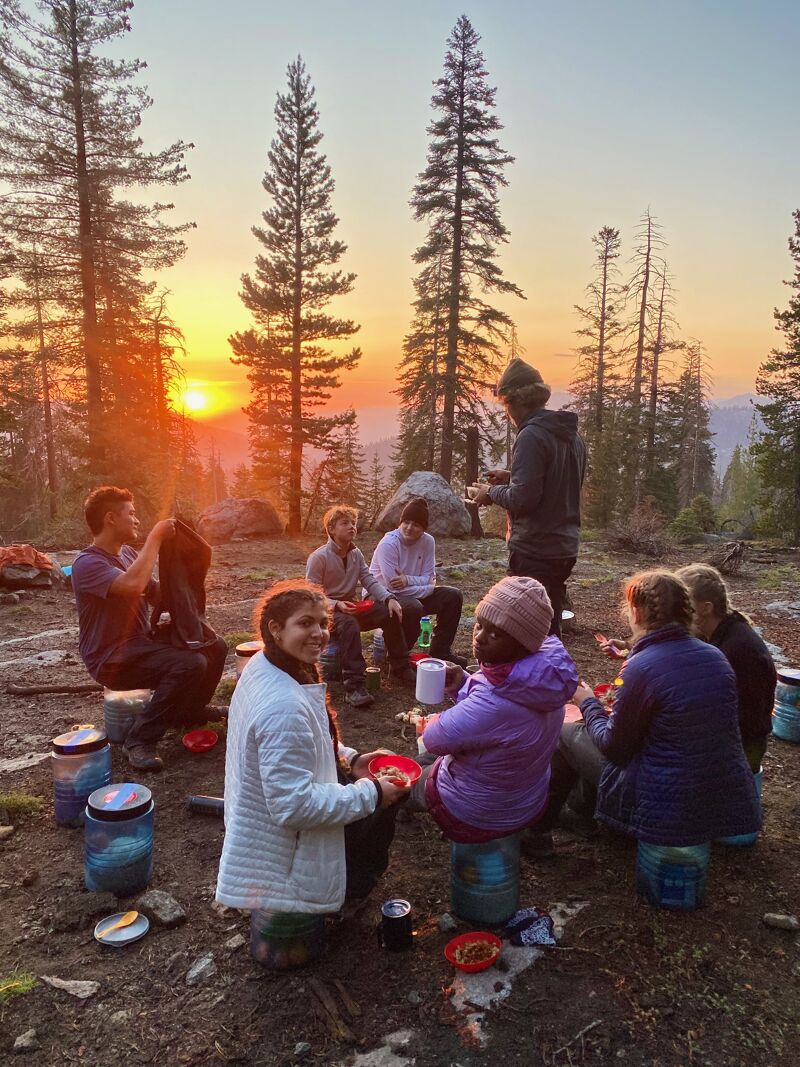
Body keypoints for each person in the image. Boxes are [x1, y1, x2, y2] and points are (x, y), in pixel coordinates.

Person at [216, 580, 409, 918]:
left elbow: (308, 738)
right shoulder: (284, 705)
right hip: (285, 843)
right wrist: (374, 793)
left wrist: (351, 760)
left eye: (323, 623)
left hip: (257, 809)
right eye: (305, 623)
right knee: (390, 799)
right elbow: (293, 807)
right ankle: (350, 892)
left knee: (380, 791)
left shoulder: (268, 665)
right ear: (275, 629)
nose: (319, 633)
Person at [534, 570, 760, 850]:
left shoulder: (642, 667)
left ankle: (538, 832)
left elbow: (614, 748)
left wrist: (587, 702)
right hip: (713, 793)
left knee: (567, 733)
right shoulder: (716, 656)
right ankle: (583, 812)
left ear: (637, 613)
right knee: (594, 726)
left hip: (663, 798)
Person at [405, 577, 579, 842]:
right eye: (479, 625)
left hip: (478, 811)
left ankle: (398, 807)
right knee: (430, 760)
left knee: (407, 775)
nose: (479, 637)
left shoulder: (495, 701)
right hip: (525, 798)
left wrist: (435, 720)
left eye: (495, 634)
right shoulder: (543, 679)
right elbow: (495, 713)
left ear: (523, 642)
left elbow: (434, 739)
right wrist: (463, 685)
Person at [72, 486, 228, 772]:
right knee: (189, 663)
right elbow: (132, 586)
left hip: (140, 642)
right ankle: (140, 740)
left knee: (214, 646)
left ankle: (190, 713)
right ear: (110, 518)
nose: (136, 520)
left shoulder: (129, 554)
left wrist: (183, 568)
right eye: (131, 514)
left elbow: (156, 594)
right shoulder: (87, 563)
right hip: (110, 657)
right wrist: (155, 538)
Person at [471, 358, 586, 638]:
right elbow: (559, 483)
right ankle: (552, 665)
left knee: (520, 628)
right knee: (549, 620)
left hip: (536, 549)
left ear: (513, 401)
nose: (507, 413)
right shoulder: (571, 436)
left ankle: (526, 668)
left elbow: (524, 500)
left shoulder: (531, 436)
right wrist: (512, 476)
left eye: (505, 405)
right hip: (564, 547)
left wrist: (490, 493)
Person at [306, 505, 411, 707]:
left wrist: (389, 598)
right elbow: (312, 595)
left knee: (388, 613)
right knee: (349, 624)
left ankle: (400, 668)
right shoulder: (319, 557)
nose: (351, 527)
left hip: (351, 606)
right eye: (344, 523)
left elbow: (369, 580)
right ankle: (354, 686)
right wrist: (336, 604)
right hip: (326, 612)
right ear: (331, 529)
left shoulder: (356, 554)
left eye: (353, 523)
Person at [368, 496, 467, 668]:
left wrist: (407, 580)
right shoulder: (389, 544)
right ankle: (397, 658)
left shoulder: (428, 541)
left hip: (409, 592)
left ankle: (440, 651)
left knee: (453, 596)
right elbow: (392, 587)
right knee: (414, 606)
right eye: (406, 522)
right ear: (400, 522)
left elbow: (429, 578)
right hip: (381, 596)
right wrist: (426, 587)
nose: (409, 527)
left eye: (415, 524)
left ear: (423, 528)